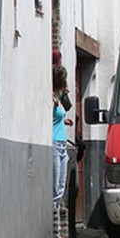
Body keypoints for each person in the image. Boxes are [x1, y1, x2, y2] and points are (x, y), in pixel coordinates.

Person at [52, 65, 73, 207]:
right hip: (53, 144)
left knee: (61, 186)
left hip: (62, 144)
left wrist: (63, 120)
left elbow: (65, 109)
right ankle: (55, 224)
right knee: (55, 188)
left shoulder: (58, 98)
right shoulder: (52, 99)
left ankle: (58, 223)